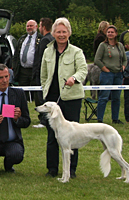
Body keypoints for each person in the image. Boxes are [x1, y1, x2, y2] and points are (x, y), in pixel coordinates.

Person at [40, 17, 87, 178]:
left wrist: (74, 78)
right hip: (52, 99)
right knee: (52, 135)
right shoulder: (47, 51)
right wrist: (45, 90)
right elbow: (43, 74)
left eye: (64, 32)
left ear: (69, 33)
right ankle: (52, 169)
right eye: (58, 32)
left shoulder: (76, 51)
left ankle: (71, 170)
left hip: (71, 98)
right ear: (53, 33)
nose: (61, 35)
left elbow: (83, 70)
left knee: (71, 134)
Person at [95, 25, 127, 124]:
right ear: (106, 33)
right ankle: (100, 119)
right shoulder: (103, 45)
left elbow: (125, 59)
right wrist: (105, 69)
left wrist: (123, 67)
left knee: (116, 97)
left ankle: (115, 118)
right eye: (108, 32)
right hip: (107, 75)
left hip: (118, 74)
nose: (110, 34)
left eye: (112, 32)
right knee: (104, 97)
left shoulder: (120, 46)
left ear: (116, 33)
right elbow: (97, 59)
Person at [12, 20, 42, 99]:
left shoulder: (40, 39)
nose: (29, 28)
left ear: (36, 27)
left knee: (36, 93)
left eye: (31, 26)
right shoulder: (22, 39)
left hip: (34, 70)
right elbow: (16, 55)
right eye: (27, 26)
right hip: (23, 70)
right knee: (22, 93)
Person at [32, 18, 54, 128]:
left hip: (41, 73)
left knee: (41, 97)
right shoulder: (51, 38)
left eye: (40, 26)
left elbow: (40, 58)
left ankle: (43, 121)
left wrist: (36, 72)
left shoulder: (45, 40)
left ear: (43, 27)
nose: (39, 28)